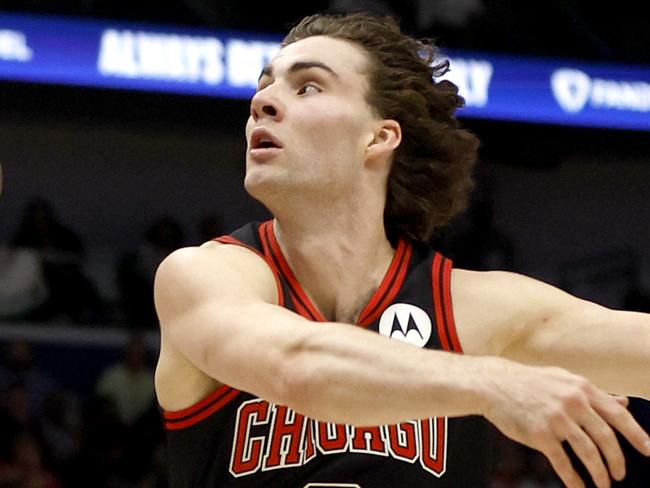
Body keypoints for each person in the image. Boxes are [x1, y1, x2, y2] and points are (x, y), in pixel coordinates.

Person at [153, 12, 650, 488]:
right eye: (264, 86)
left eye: (307, 86)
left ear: (380, 136)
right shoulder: (204, 275)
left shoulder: (473, 310)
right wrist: (494, 381)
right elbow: (297, 367)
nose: (262, 102)